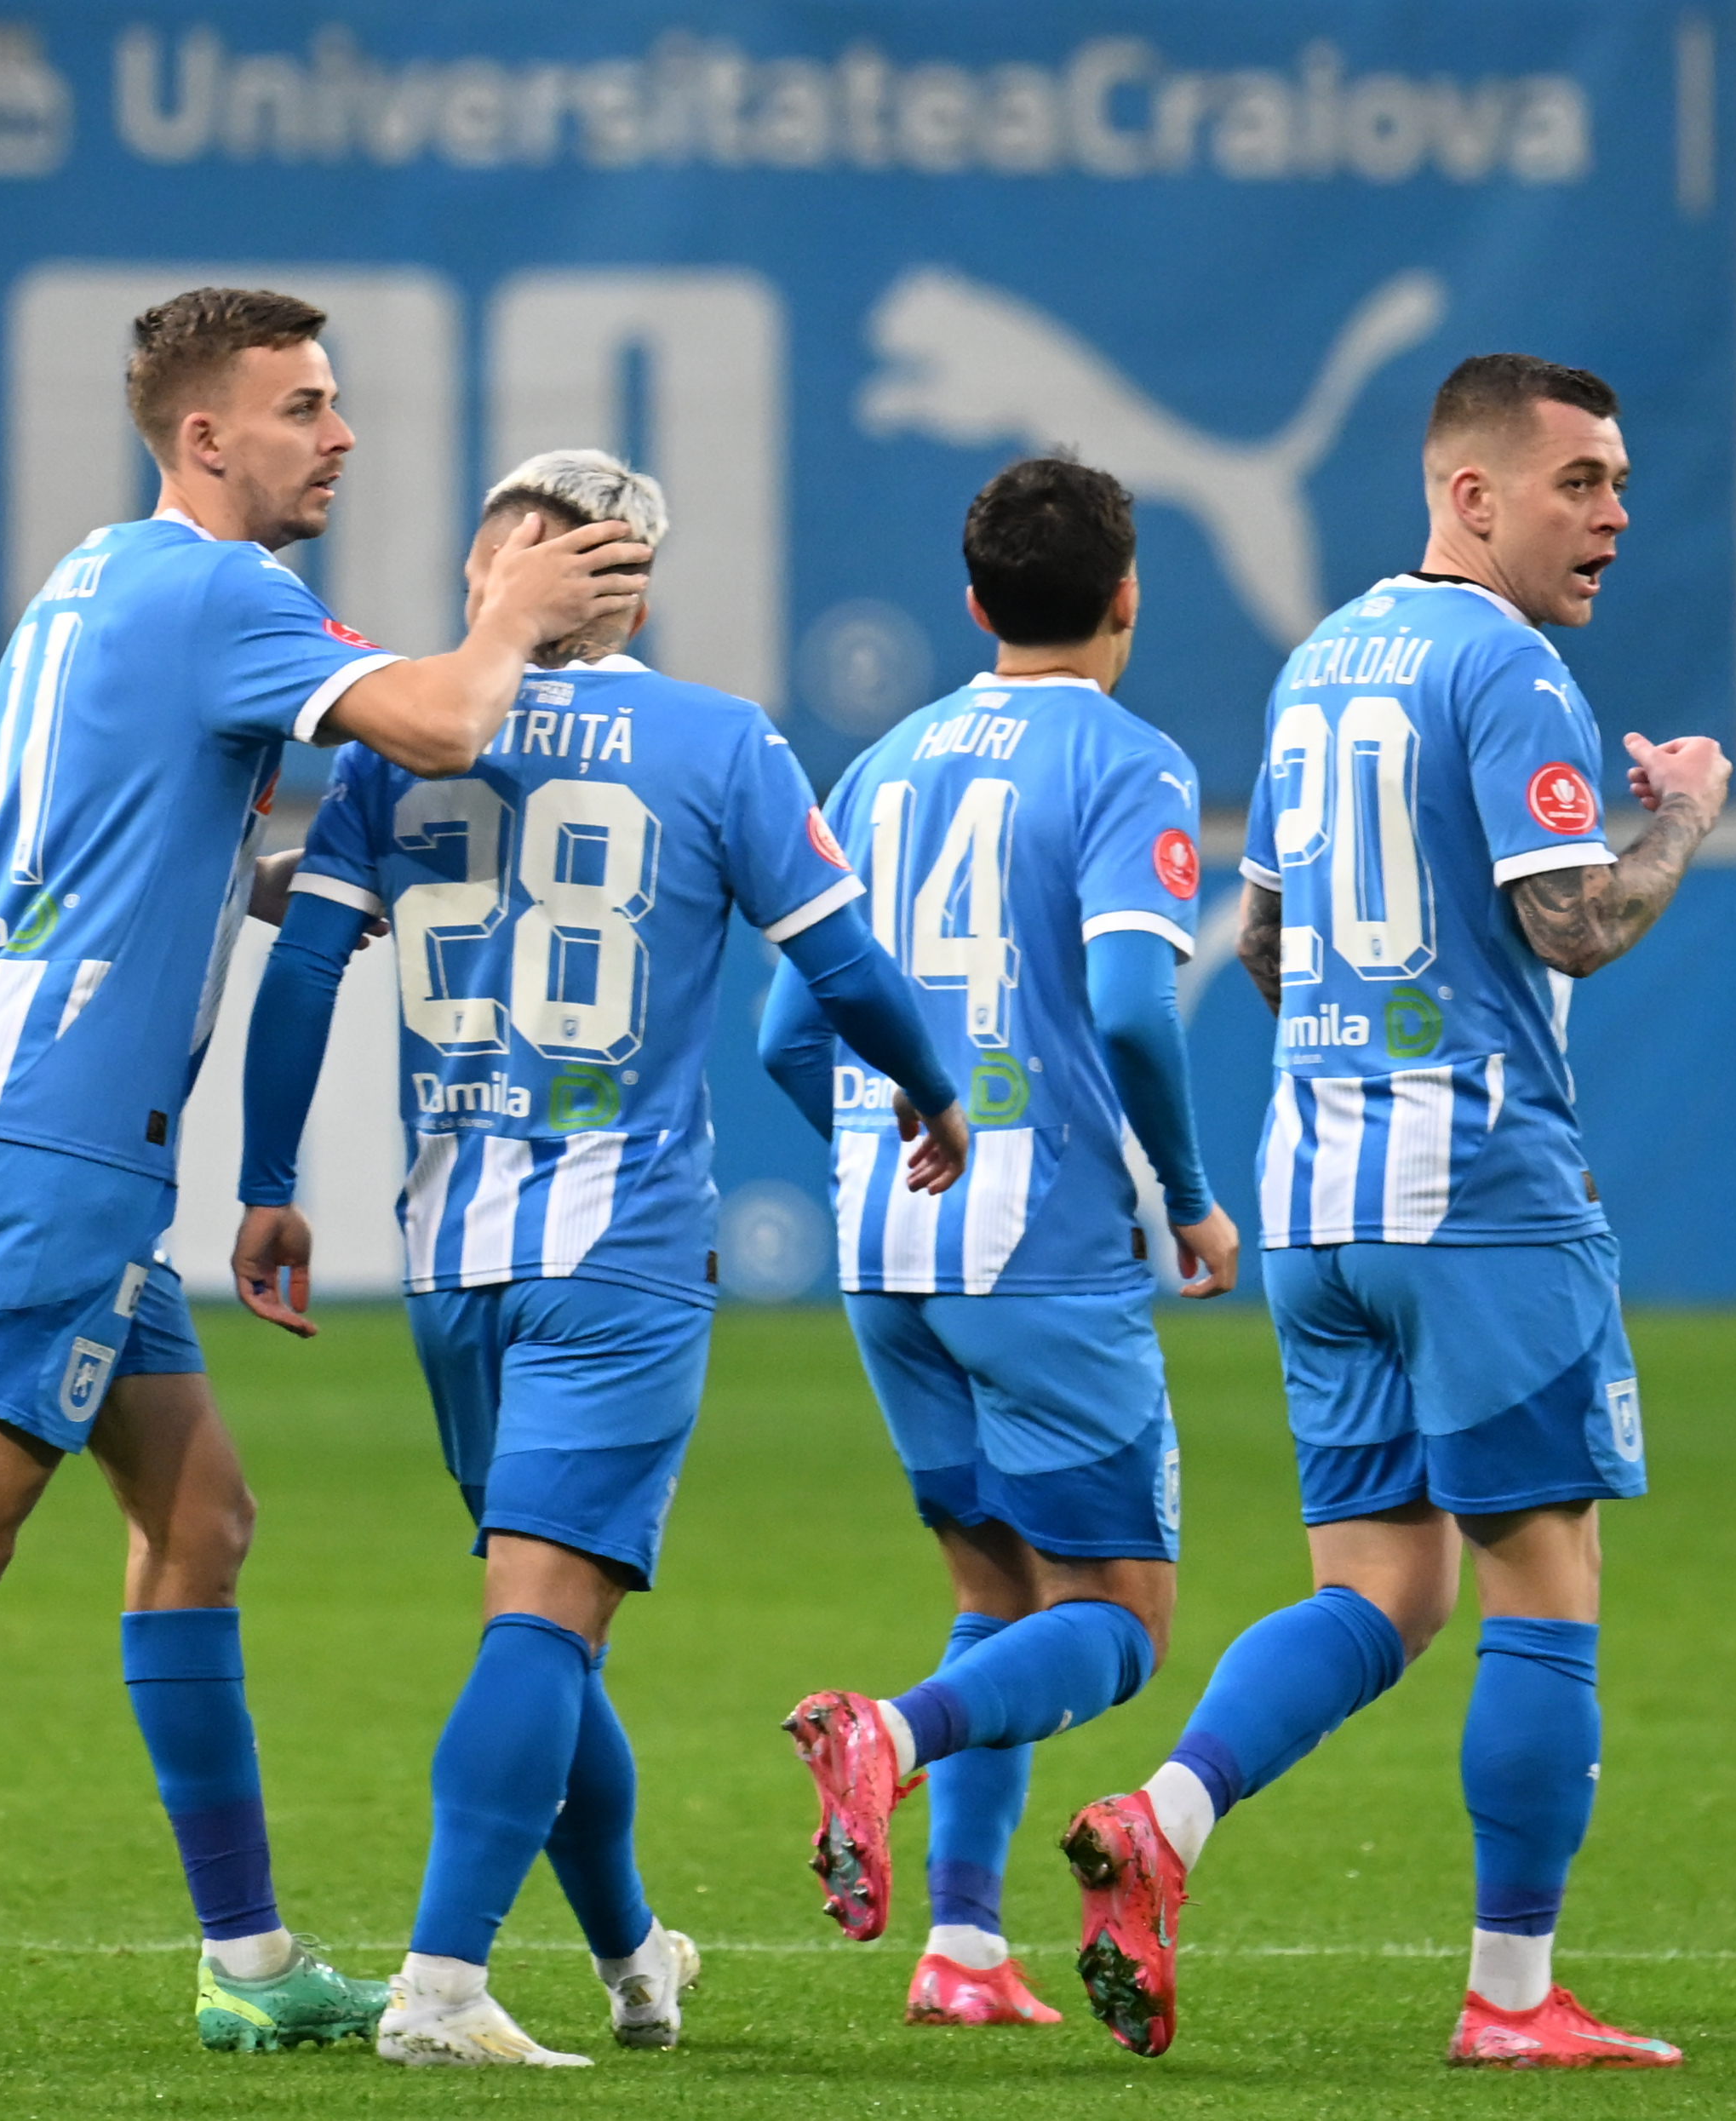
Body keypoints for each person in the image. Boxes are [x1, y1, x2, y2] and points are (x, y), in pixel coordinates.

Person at [0, 291, 650, 2064]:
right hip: (58, 1138)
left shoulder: (84, 584)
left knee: (197, 1520)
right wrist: (510, 615)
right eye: (302, 406)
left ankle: (253, 1955)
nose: (337, 435)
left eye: (337, 403)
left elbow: (6, 832)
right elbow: (437, 725)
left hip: (28, 1111)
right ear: (203, 436)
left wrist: (232, 886)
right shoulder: (226, 594)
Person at [233, 449, 970, 2067]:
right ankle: (437, 1990)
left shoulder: (395, 737)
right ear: (629, 580)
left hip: (448, 1260)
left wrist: (268, 1181)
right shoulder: (716, 741)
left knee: (550, 1626)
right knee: (542, 1631)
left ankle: (637, 1956)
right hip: (617, 1251)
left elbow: (303, 970)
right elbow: (841, 966)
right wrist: (928, 1088)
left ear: (492, 570)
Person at [1063, 354, 1726, 2067]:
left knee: (1379, 1589)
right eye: (1577, 479)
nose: (1611, 513)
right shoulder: (1506, 668)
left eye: (1617, 479)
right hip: (1480, 1197)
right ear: (1469, 493)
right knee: (1541, 1577)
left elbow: (1273, 949)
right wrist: (1678, 818)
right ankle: (1510, 1999)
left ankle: (1162, 1821)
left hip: (1316, 1194)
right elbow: (1571, 924)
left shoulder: (1318, 661)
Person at [759, 456, 1239, 2029]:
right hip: (1037, 1241)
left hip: (882, 1232)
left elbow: (785, 1027)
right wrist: (1181, 1193)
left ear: (971, 605)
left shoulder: (879, 764)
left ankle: (963, 1949)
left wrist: (872, 1142)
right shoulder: (1129, 759)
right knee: (1119, 1623)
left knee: (1000, 1588)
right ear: (1125, 597)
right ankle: (886, 1740)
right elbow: (1125, 1008)